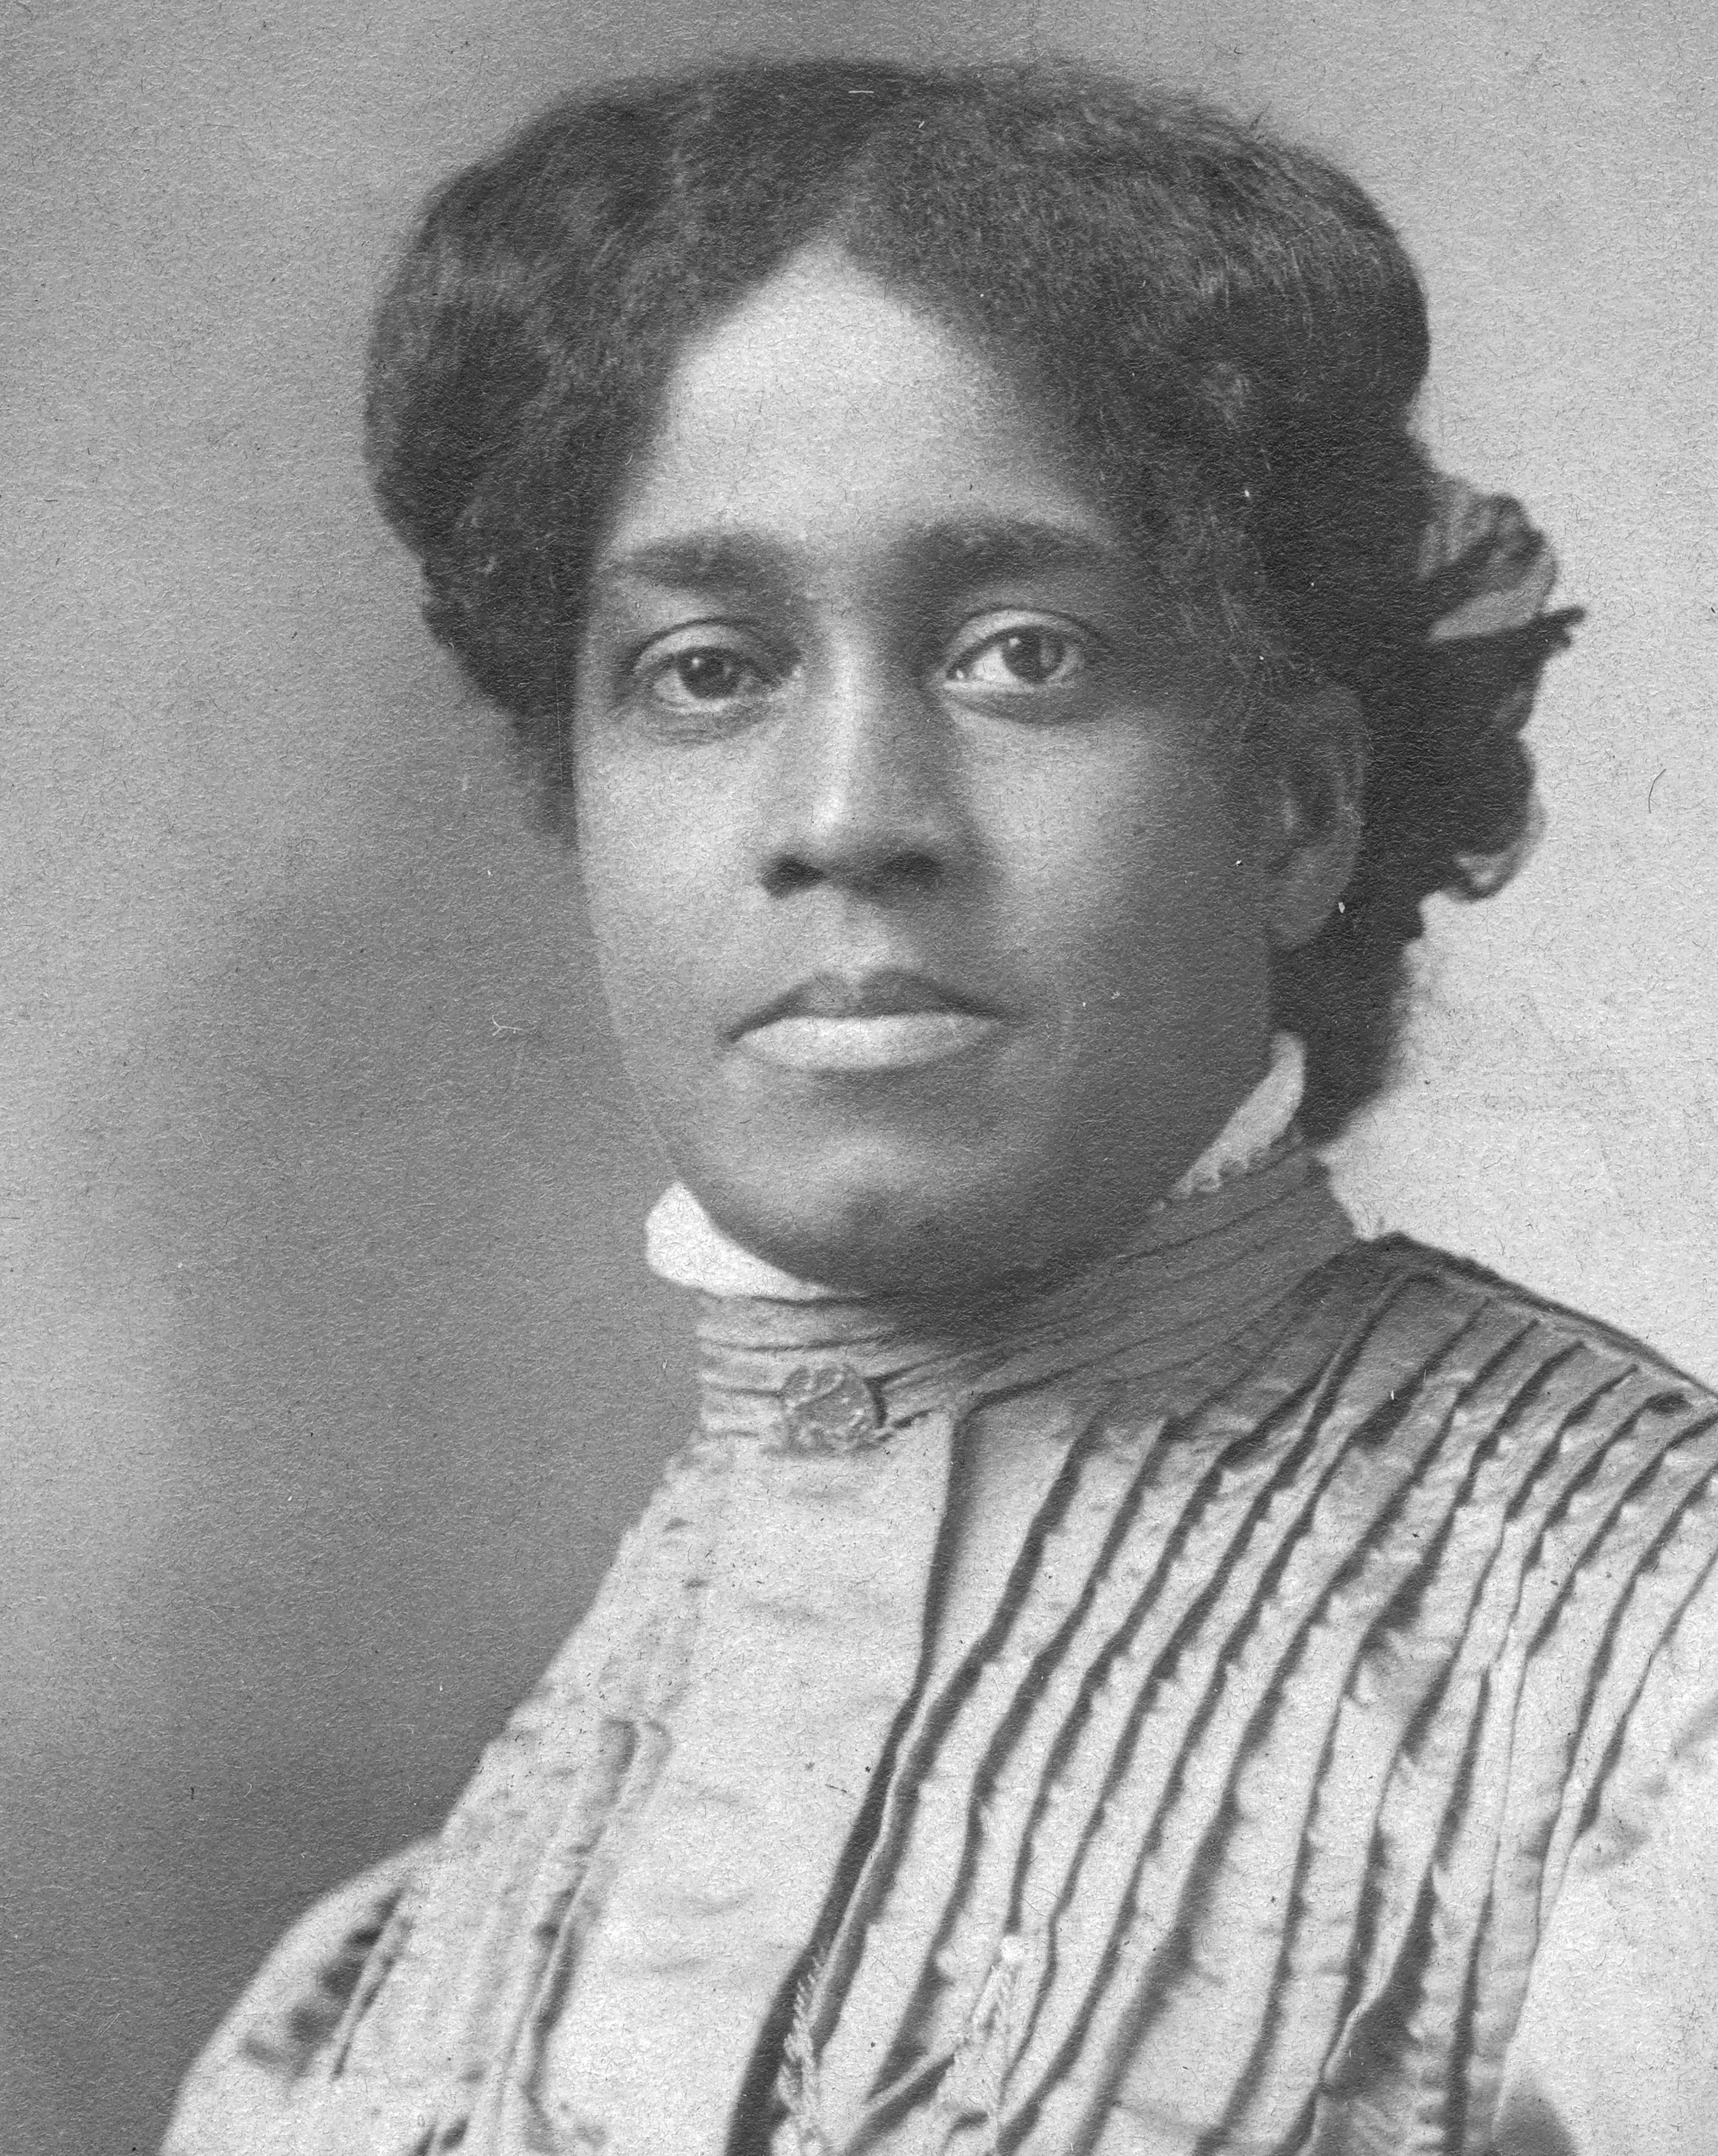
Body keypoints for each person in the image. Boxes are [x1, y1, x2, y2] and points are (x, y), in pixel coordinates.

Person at [163, 56, 1718, 2156]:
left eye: (1021, 654)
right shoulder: (454, 1909)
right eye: (707, 668)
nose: (845, 821)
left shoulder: (1656, 1679)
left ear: (1296, 804)